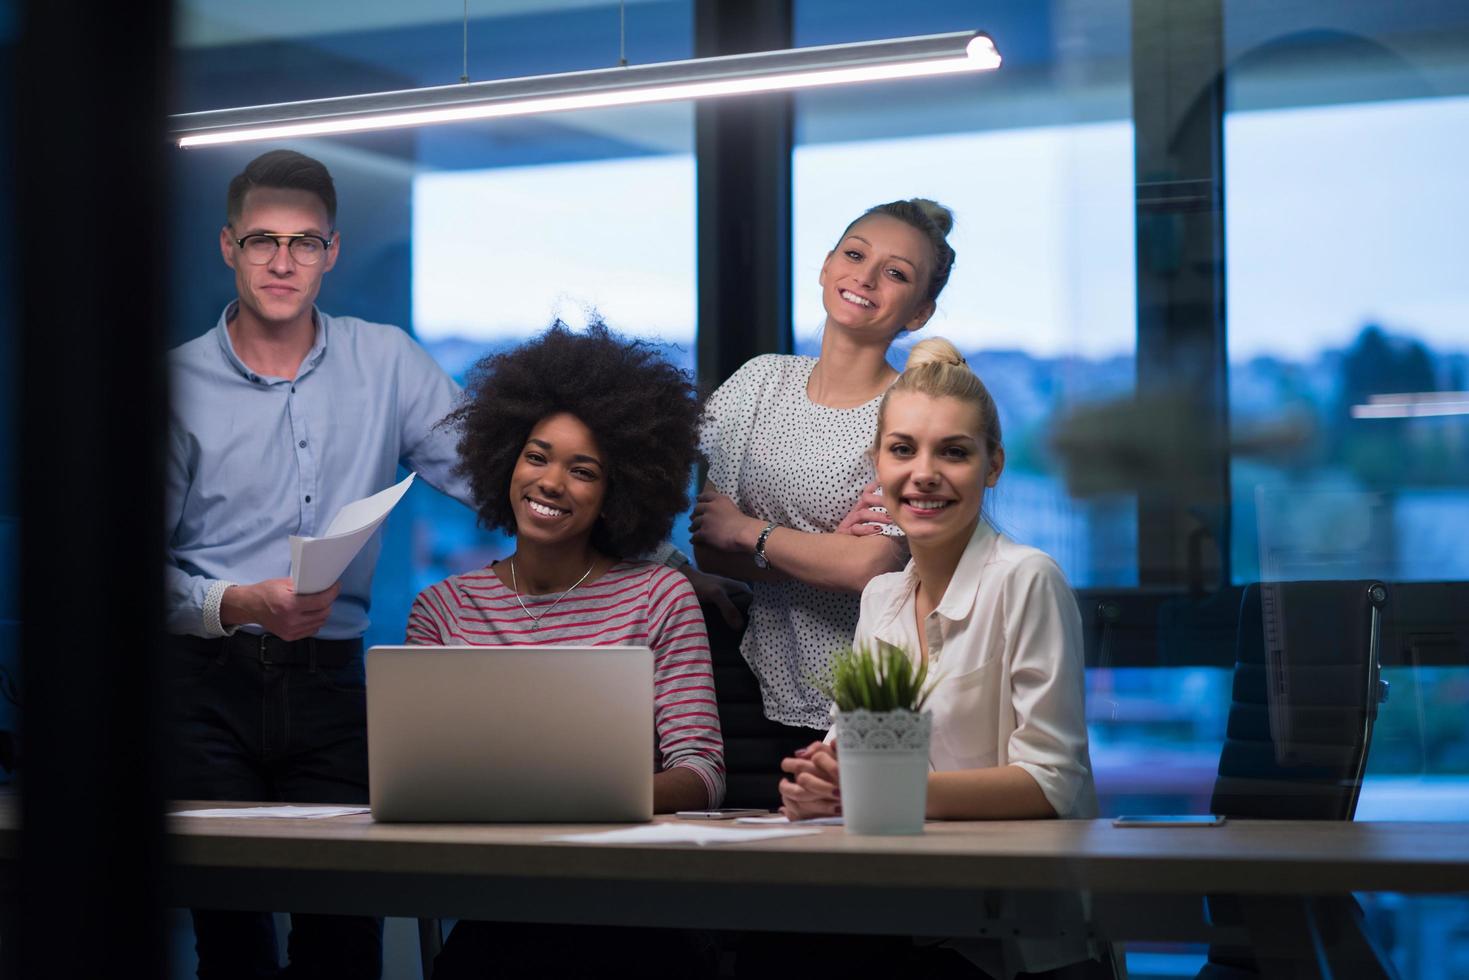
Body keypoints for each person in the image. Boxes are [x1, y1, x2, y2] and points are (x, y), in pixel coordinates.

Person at [165, 149, 476, 980]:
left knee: (344, 934)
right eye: (262, 240)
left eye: (304, 243)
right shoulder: (172, 386)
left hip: (333, 685)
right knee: (231, 942)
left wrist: (642, 537)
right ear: (226, 245)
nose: (281, 262)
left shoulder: (388, 361)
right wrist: (235, 602)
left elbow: (497, 474)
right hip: (202, 687)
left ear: (332, 252)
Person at [776, 338, 1108, 980]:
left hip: (1026, 945)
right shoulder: (883, 598)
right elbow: (855, 755)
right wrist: (820, 782)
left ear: (993, 466)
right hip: (919, 922)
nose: (923, 473)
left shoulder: (1028, 579)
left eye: (952, 452)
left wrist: (879, 794)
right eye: (902, 449)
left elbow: (1051, 782)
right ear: (877, 464)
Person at [407, 322, 724, 979]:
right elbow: (416, 781)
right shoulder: (442, 611)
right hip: (499, 908)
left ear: (616, 492)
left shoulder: (660, 597)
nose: (551, 482)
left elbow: (702, 774)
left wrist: (574, 797)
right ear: (503, 460)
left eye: (583, 471)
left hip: (631, 914)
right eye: (537, 456)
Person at [690, 198, 956, 745]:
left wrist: (752, 534)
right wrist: (823, 554)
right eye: (855, 254)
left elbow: (870, 567)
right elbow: (710, 547)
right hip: (749, 675)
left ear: (919, 313)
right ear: (826, 266)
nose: (865, 277)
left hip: (871, 691)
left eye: (896, 273)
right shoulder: (760, 381)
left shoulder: (910, 409)